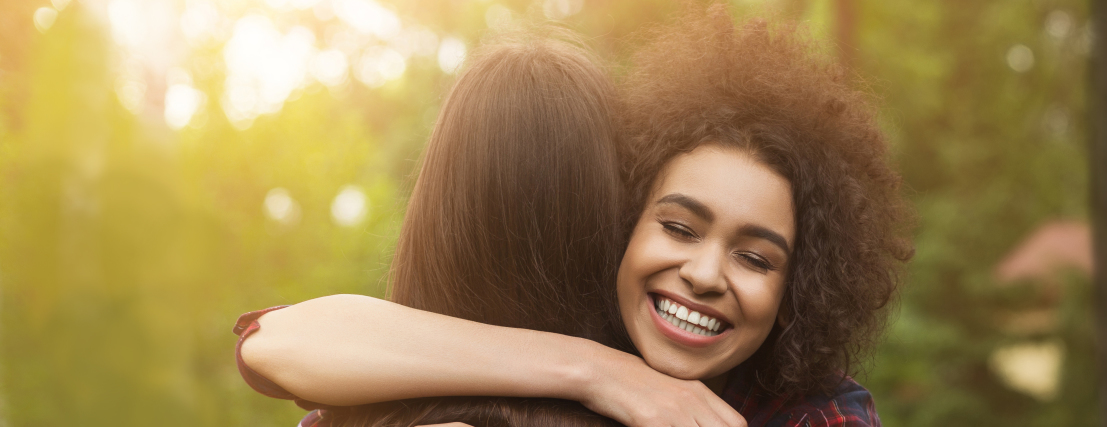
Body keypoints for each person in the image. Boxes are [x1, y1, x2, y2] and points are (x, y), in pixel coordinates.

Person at [239, 5, 913, 427]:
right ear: (622, 223)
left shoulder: (814, 413)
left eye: (756, 256)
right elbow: (271, 341)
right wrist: (598, 369)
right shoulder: (587, 359)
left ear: (803, 291)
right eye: (678, 226)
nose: (704, 272)